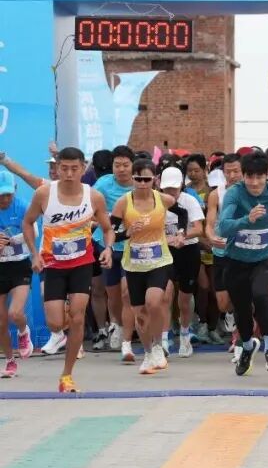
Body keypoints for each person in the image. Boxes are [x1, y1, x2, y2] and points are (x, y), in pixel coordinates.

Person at [23, 147, 115, 393]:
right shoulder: (45, 193)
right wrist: (34, 254)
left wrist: (108, 249)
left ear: (83, 168)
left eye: (75, 168)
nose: (69, 173)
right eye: (64, 168)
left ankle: (67, 375)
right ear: (57, 168)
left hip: (81, 264)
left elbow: (108, 228)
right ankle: (62, 332)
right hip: (53, 264)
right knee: (55, 322)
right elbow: (28, 222)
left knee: (77, 317)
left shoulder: (93, 196)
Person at [216, 151, 268, 375]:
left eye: (259, 177)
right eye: (249, 177)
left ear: (267, 175)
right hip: (236, 259)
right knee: (241, 308)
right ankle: (248, 346)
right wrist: (247, 219)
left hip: (264, 257)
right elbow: (223, 228)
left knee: (261, 294)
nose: (254, 183)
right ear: (243, 176)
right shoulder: (234, 193)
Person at [112, 159, 177, 375]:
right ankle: (148, 353)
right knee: (139, 312)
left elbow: (184, 214)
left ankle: (158, 345)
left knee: (154, 302)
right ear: (132, 179)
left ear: (155, 179)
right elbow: (110, 233)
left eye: (146, 179)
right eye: (138, 179)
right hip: (134, 264)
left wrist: (180, 234)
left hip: (159, 260)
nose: (142, 183)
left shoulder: (164, 199)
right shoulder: (123, 202)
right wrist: (127, 233)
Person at [89, 146, 136, 357]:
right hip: (106, 244)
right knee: (113, 293)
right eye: (117, 165)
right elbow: (89, 210)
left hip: (131, 247)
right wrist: (101, 220)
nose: (121, 169)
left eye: (125, 165)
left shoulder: (139, 184)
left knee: (127, 293)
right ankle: (116, 323)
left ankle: (127, 336)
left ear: (133, 166)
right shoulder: (103, 184)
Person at [159, 166, 205, 358]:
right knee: (165, 295)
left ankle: (185, 334)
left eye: (174, 188)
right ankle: (163, 338)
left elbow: (199, 228)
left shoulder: (189, 201)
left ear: (181, 185)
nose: (171, 192)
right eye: (167, 188)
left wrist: (181, 236)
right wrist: (166, 239)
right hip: (165, 252)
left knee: (185, 298)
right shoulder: (155, 201)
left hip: (188, 251)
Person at [205, 153, 241, 346]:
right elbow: (210, 223)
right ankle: (230, 314)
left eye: (236, 171)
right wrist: (211, 237)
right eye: (229, 171)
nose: (232, 175)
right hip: (221, 251)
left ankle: (240, 337)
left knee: (243, 294)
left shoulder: (251, 192)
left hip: (244, 251)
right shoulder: (216, 194)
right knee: (223, 302)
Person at [0, 170, 34, 377]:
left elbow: (33, 233)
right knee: (1, 321)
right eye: (0, 195)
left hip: (20, 264)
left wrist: (11, 240)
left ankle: (23, 331)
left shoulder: (23, 206)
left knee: (15, 313)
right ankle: (9, 361)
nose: (4, 199)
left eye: (7, 194)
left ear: (15, 190)